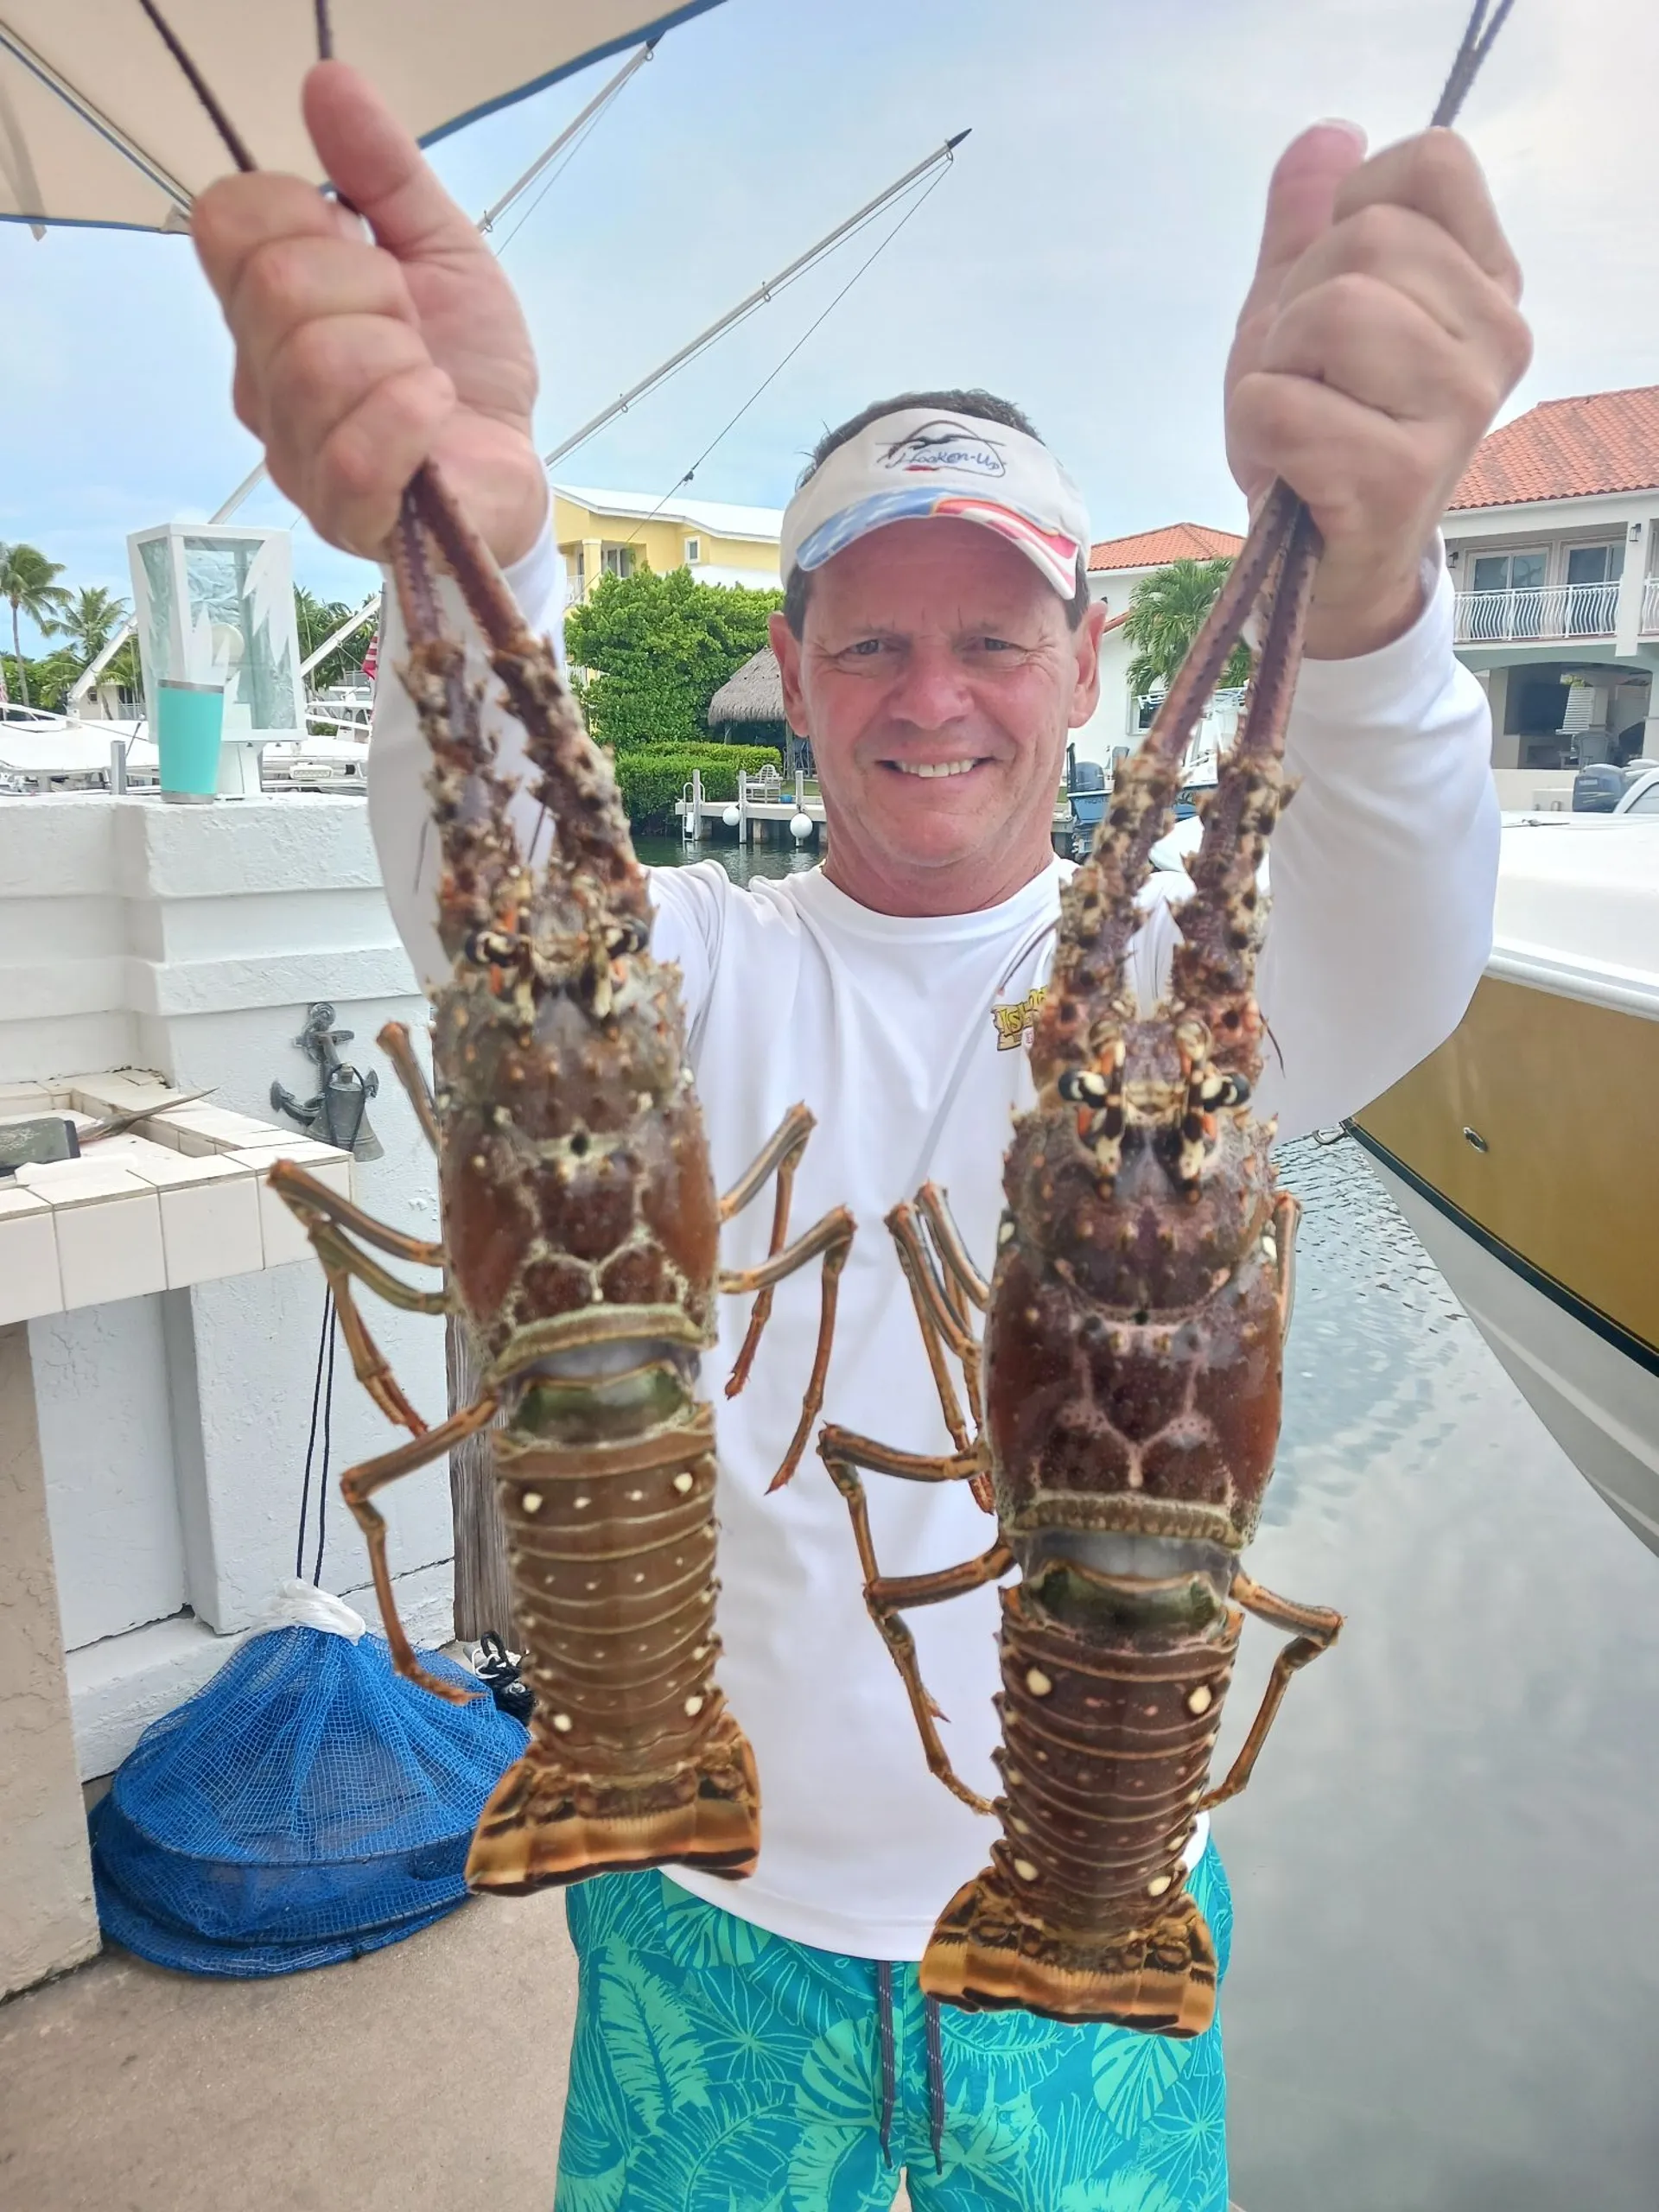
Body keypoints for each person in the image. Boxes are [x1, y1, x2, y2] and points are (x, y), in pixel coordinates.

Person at [194, 59, 1529, 2212]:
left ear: (1089, 667)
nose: (936, 695)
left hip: (1105, 1901)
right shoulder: (689, 965)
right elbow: (505, 882)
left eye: (995, 638)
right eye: (874, 641)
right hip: (712, 1897)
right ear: (791, 672)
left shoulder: (1185, 1034)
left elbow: (1394, 925)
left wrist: (1364, 605)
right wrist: (475, 547)